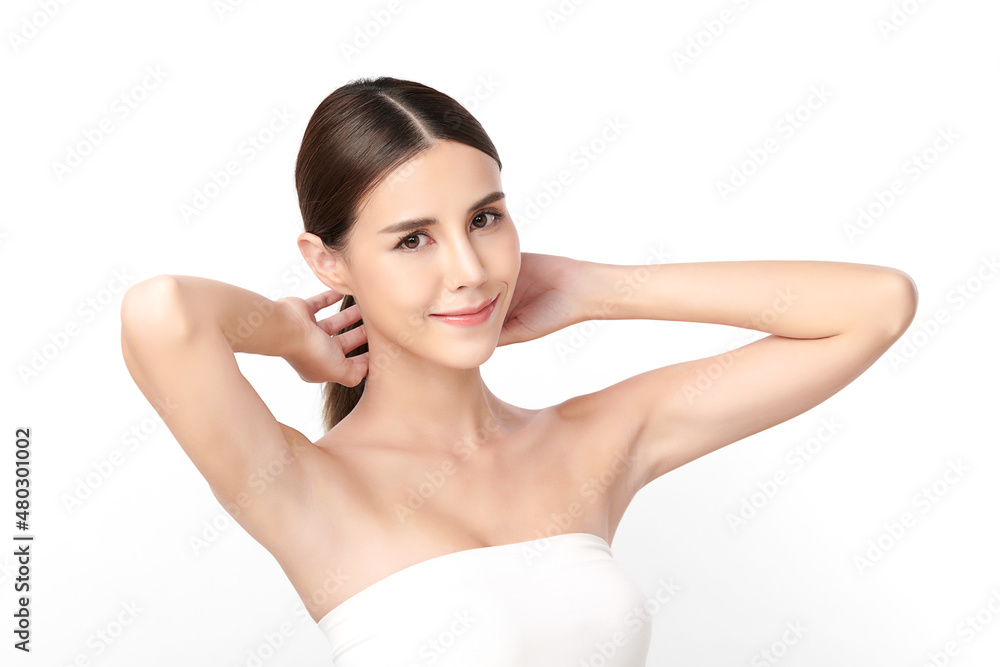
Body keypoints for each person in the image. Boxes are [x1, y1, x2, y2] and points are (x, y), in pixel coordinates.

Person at [119, 76, 918, 666]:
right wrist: (294, 336)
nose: (469, 269)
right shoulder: (304, 487)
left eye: (485, 218)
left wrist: (600, 289)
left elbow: (876, 305)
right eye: (412, 239)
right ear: (328, 261)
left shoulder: (593, 441)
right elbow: (163, 313)